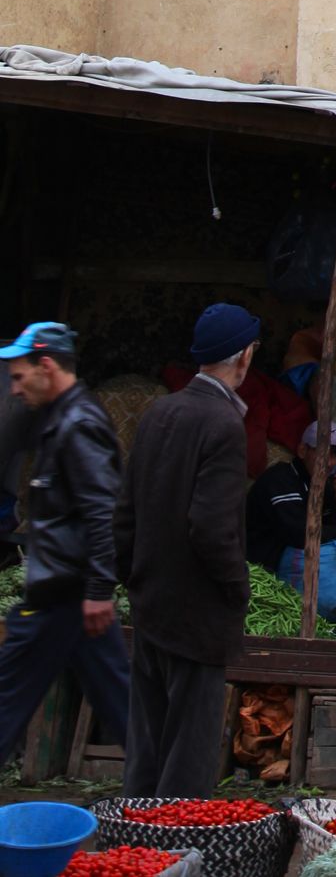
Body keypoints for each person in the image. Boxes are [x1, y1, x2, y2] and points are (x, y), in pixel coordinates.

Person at [115, 301, 259, 796]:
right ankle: (176, 859)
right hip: (197, 618)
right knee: (188, 764)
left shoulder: (159, 412)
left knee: (148, 750)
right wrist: (236, 590)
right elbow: (212, 529)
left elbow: (124, 514)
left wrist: (135, 578)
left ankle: (135, 850)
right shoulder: (222, 425)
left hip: (152, 608)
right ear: (243, 358)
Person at [0, 321, 130, 766]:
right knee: (121, 703)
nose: (15, 389)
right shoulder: (56, 418)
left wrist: (98, 591)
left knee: (7, 699)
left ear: (47, 366)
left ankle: (176, 798)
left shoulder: (79, 424)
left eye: (19, 377)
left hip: (66, 596)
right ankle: (173, 796)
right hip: (66, 596)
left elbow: (101, 511)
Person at [245, 421, 336, 573]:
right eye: (322, 452)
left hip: (288, 572)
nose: (328, 462)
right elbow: (300, 535)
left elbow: (334, 532)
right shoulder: (280, 479)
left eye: (334, 454)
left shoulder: (324, 486)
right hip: (258, 570)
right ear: (303, 450)